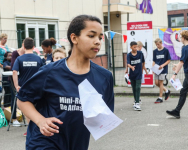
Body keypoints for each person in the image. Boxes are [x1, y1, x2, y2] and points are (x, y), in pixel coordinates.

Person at [17, 15, 114, 150]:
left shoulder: (104, 77)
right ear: (74, 38)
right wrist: (40, 121)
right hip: (45, 141)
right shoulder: (49, 72)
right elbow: (22, 99)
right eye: (91, 36)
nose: (97, 41)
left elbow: (104, 116)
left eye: (100, 37)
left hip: (77, 143)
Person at [12, 37, 43, 135]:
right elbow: (44, 72)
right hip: (37, 88)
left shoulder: (19, 58)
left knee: (27, 109)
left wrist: (16, 85)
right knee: (37, 108)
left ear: (23, 46)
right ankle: (36, 128)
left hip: (24, 88)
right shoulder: (38, 58)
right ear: (33, 47)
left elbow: (14, 72)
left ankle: (31, 130)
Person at [166, 30, 188, 119]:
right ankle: (177, 111)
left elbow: (182, 62)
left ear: (183, 38)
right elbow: (183, 61)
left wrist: (174, 74)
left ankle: (177, 111)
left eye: (180, 37)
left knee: (183, 92)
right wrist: (177, 65)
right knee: (183, 92)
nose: (179, 39)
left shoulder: (185, 48)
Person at [127, 41, 145, 111]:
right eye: (134, 47)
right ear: (131, 47)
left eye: (136, 46)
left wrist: (143, 69)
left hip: (139, 73)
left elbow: (143, 61)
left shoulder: (140, 53)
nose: (135, 48)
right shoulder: (129, 55)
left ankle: (137, 103)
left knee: (138, 87)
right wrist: (131, 67)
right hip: (132, 74)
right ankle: (136, 100)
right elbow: (128, 63)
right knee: (134, 88)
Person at [153, 38, 171, 103]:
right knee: (156, 83)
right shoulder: (155, 51)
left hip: (163, 69)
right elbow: (154, 61)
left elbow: (168, 60)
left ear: (161, 43)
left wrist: (163, 65)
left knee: (161, 83)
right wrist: (153, 68)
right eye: (156, 45)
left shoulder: (166, 50)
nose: (157, 46)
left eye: (158, 44)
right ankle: (166, 91)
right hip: (157, 69)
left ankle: (160, 98)